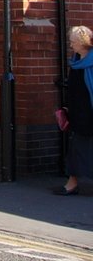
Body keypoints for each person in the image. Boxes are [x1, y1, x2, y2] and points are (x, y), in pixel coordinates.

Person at [56, 25, 93, 195]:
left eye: (73, 42)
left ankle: (72, 183)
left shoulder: (90, 63)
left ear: (82, 42)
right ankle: (72, 182)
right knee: (76, 148)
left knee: (80, 147)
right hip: (78, 114)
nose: (71, 45)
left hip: (89, 114)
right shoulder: (76, 61)